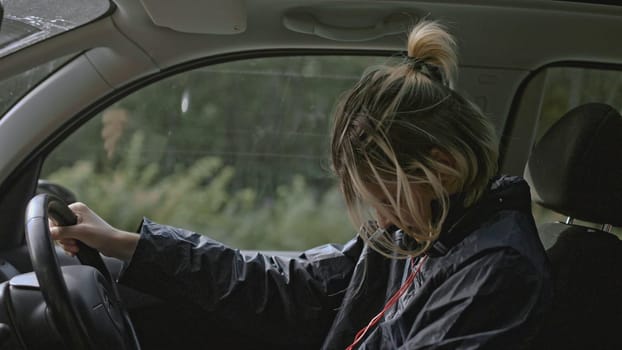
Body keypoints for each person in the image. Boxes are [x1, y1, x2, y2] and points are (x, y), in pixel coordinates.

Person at [50, 21, 552, 349]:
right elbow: (291, 286)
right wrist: (130, 245)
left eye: (384, 197)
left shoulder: (497, 273)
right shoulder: (418, 237)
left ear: (441, 168)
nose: (382, 217)